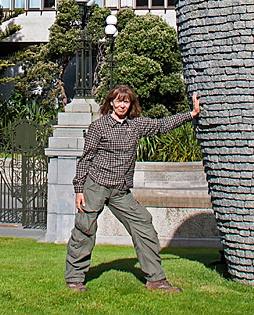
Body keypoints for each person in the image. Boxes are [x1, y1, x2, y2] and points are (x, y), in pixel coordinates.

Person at [65, 84, 200, 292]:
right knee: (85, 229)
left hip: (120, 190)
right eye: (118, 101)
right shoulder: (98, 127)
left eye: (125, 102)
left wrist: (191, 114)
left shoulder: (135, 126)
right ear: (111, 102)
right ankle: (74, 279)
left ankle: (156, 279)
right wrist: (79, 189)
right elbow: (86, 159)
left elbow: (161, 125)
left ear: (130, 105)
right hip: (96, 186)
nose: (121, 105)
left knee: (143, 223)